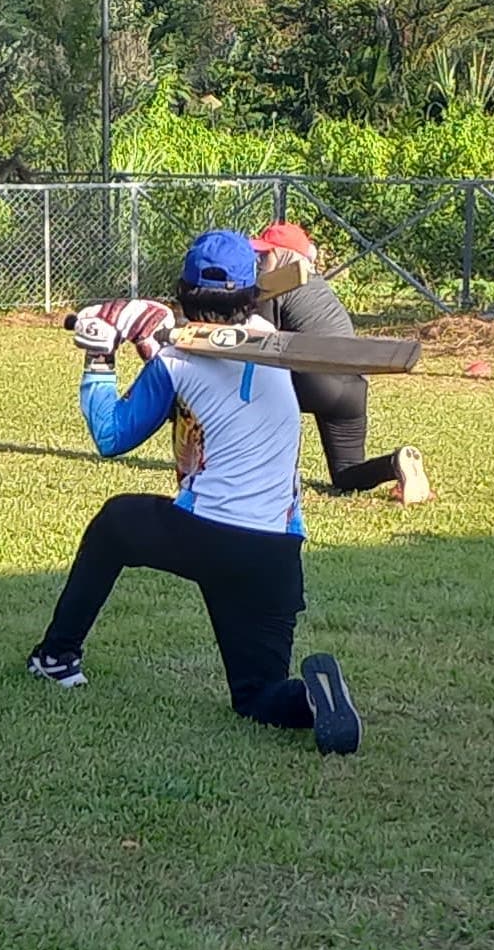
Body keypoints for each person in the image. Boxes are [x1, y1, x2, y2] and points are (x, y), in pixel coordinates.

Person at [26, 231, 362, 755]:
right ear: (253, 295)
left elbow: (113, 437)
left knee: (116, 523)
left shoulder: (175, 362)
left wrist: (98, 361)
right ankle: (312, 703)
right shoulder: (272, 340)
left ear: (184, 292)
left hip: (207, 534)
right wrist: (149, 340)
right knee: (257, 695)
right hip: (276, 551)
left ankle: (57, 658)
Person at [249, 220, 421, 495]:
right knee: (345, 475)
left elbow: (260, 342)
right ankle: (394, 464)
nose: (259, 260)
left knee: (256, 383)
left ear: (282, 255)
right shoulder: (319, 287)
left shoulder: (276, 284)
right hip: (352, 386)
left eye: (265, 254)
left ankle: (270, 471)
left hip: (315, 378)